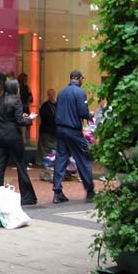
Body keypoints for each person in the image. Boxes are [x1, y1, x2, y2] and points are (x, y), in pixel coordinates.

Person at [0, 79, 38, 205]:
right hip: (13, 136)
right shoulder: (16, 101)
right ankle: (27, 196)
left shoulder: (0, 101)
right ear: (15, 88)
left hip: (1, 136)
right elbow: (19, 121)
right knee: (21, 165)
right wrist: (29, 119)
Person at [52, 70, 95, 204]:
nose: (83, 81)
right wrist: (90, 115)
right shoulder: (80, 93)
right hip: (73, 130)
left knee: (60, 159)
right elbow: (83, 112)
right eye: (82, 78)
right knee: (82, 158)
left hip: (60, 129)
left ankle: (57, 192)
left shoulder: (62, 92)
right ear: (78, 79)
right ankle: (90, 190)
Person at [37, 88, 58, 163]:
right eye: (50, 94)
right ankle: (44, 162)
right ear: (48, 95)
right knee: (44, 149)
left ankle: (52, 162)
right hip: (46, 130)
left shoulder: (58, 105)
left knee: (55, 147)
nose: (52, 96)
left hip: (55, 131)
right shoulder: (45, 106)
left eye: (53, 94)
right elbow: (44, 116)